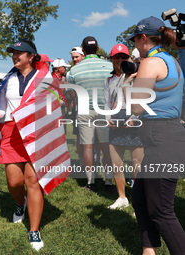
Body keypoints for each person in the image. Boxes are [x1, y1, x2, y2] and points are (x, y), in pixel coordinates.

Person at [0, 39, 70, 251]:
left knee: (33, 181)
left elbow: (54, 105)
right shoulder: (8, 79)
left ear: (31, 57)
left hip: (36, 132)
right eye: (13, 52)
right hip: (11, 132)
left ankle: (34, 229)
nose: (15, 55)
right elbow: (2, 108)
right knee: (14, 182)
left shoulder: (44, 76)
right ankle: (20, 204)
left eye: (20, 52)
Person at [126, 16, 185, 254]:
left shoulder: (151, 62)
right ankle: (149, 250)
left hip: (163, 138)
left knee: (161, 210)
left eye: (136, 41)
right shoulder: (172, 60)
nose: (136, 47)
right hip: (165, 136)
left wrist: (130, 82)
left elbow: (137, 107)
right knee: (140, 199)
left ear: (142, 38)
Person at [67, 36, 113, 192]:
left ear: (83, 50)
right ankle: (109, 181)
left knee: (87, 146)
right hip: (104, 109)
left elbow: (72, 93)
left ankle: (91, 182)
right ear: (98, 48)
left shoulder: (74, 69)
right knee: (106, 146)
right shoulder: (108, 66)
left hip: (85, 109)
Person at [104, 44, 143, 209]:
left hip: (134, 120)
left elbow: (143, 100)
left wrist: (135, 117)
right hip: (116, 122)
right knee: (116, 162)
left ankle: (139, 200)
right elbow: (106, 102)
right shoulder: (109, 79)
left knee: (137, 163)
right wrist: (107, 118)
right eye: (116, 57)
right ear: (112, 59)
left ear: (128, 58)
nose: (119, 60)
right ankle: (122, 197)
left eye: (123, 57)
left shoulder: (139, 76)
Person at [68, 46, 85, 167]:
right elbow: (72, 93)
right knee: (79, 136)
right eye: (73, 57)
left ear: (83, 56)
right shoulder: (70, 73)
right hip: (79, 108)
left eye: (77, 57)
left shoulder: (87, 69)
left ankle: (96, 158)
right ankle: (81, 160)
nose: (74, 59)